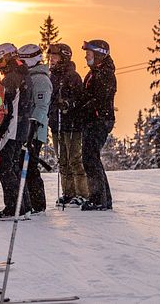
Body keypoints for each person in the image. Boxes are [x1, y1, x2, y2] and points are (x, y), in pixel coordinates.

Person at [0, 43, 34, 220]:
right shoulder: (24, 75)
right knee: (14, 168)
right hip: (22, 128)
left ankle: (14, 208)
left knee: (4, 168)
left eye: (0, 60)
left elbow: (5, 107)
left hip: (11, 129)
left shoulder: (10, 78)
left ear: (7, 57)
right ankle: (23, 206)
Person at [47, 43, 88, 207]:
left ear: (64, 58)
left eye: (55, 57)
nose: (51, 60)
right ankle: (68, 192)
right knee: (62, 159)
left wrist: (68, 104)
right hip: (56, 124)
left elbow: (79, 99)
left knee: (74, 159)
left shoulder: (73, 76)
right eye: (50, 57)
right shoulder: (52, 77)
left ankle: (82, 193)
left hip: (71, 124)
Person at [79, 40, 116, 211]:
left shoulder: (105, 74)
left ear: (99, 54)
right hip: (94, 120)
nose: (86, 56)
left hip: (99, 120)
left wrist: (84, 108)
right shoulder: (96, 72)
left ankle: (98, 199)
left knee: (90, 158)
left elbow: (101, 99)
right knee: (91, 158)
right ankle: (102, 198)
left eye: (89, 53)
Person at [18, 44, 53, 213]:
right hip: (27, 128)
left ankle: (38, 204)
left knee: (30, 165)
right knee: (26, 163)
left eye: (22, 60)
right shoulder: (30, 76)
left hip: (34, 131)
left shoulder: (40, 79)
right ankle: (31, 201)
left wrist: (32, 127)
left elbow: (41, 106)